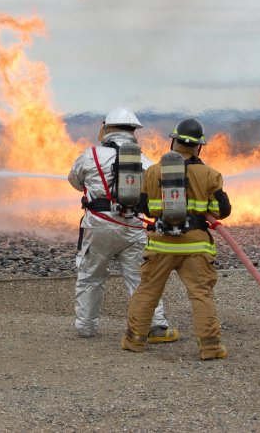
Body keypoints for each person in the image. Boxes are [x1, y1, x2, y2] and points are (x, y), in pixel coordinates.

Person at [121, 117, 231, 360]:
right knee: (201, 294)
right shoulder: (210, 174)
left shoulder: (153, 171)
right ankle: (210, 347)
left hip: (160, 244)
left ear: (174, 142)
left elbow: (144, 208)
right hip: (196, 245)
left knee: (148, 291)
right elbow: (223, 211)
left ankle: (134, 341)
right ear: (198, 146)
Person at [68, 107, 179, 341]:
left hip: (97, 225)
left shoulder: (91, 155)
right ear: (132, 131)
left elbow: (75, 181)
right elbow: (155, 189)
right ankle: (156, 326)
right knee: (141, 279)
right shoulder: (144, 159)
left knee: (90, 277)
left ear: (106, 128)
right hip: (133, 226)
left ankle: (86, 329)